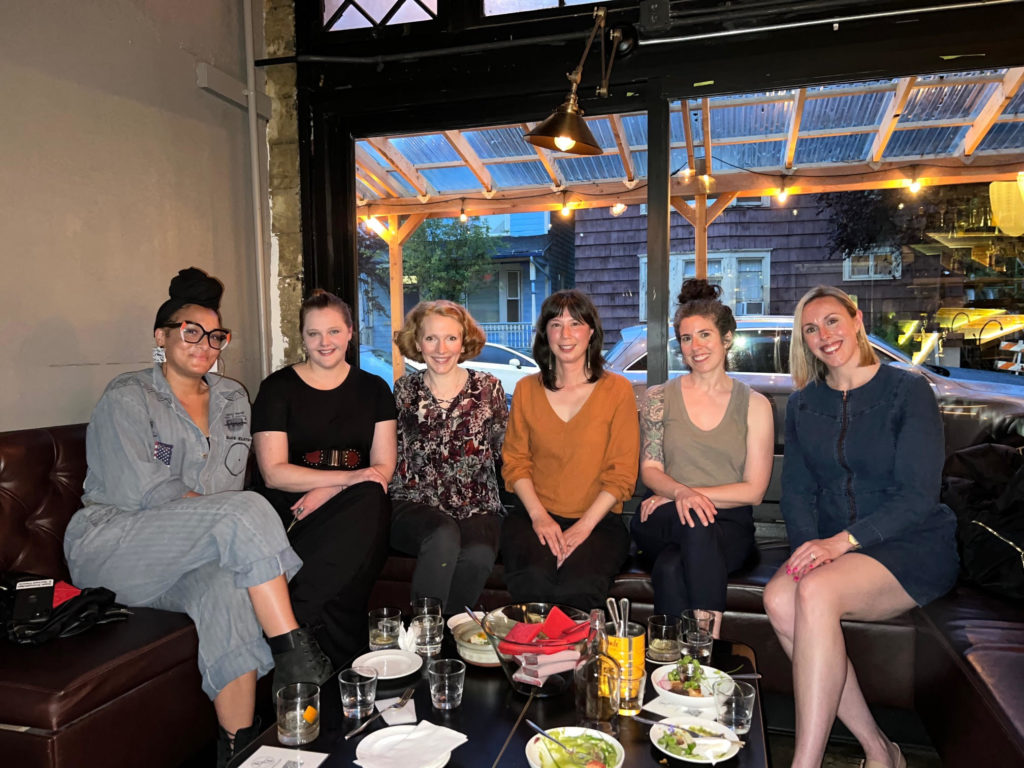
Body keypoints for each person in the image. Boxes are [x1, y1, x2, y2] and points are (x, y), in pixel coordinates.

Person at [63, 267, 332, 768]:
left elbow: (225, 492)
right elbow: (143, 493)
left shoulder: (232, 398)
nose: (204, 344)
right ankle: (292, 647)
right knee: (245, 509)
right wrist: (226, 518)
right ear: (161, 338)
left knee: (226, 591)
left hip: (192, 550)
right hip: (114, 545)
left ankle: (238, 749)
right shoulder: (128, 398)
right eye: (190, 332)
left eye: (214, 336)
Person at [763, 285, 958, 768]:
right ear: (803, 341)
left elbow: (918, 495)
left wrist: (841, 543)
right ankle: (879, 749)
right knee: (777, 597)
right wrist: (810, 546)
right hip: (836, 548)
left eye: (832, 321)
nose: (824, 335)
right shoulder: (806, 403)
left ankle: (803, 764)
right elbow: (798, 492)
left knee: (815, 593)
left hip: (910, 544)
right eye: (811, 329)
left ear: (856, 321)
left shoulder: (907, 390)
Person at [252, 289, 396, 666]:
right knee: (362, 507)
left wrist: (331, 488)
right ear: (302, 337)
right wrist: (341, 482)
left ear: (350, 332)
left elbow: (382, 469)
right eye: (313, 333)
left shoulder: (375, 390)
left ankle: (294, 625)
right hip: (293, 510)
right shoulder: (276, 389)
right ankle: (346, 665)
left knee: (371, 497)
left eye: (333, 331)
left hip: (353, 508)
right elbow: (272, 473)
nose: (324, 342)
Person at [630, 279, 774, 634]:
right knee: (694, 521)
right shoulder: (659, 398)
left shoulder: (755, 405)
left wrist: (689, 494)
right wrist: (679, 494)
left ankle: (669, 665)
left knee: (670, 566)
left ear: (726, 338)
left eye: (705, 335)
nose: (695, 346)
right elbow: (650, 470)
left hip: (729, 527)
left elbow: (754, 491)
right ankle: (706, 649)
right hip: (661, 517)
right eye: (686, 338)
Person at [500, 289, 640, 610]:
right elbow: (515, 463)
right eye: (555, 324)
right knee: (534, 582)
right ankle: (532, 660)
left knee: (577, 590)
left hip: (598, 521)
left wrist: (582, 528)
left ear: (591, 332)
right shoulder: (526, 390)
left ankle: (574, 661)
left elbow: (621, 475)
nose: (565, 334)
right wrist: (540, 518)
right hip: (534, 516)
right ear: (544, 333)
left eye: (575, 323)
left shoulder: (617, 390)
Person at [389, 300, 508, 612]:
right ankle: (426, 634)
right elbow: (387, 452)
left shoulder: (488, 387)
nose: (441, 348)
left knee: (480, 555)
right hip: (414, 503)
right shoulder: (404, 391)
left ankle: (446, 637)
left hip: (477, 505)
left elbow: (506, 446)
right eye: (431, 338)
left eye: (451, 338)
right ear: (417, 342)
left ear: (464, 341)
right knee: (442, 536)